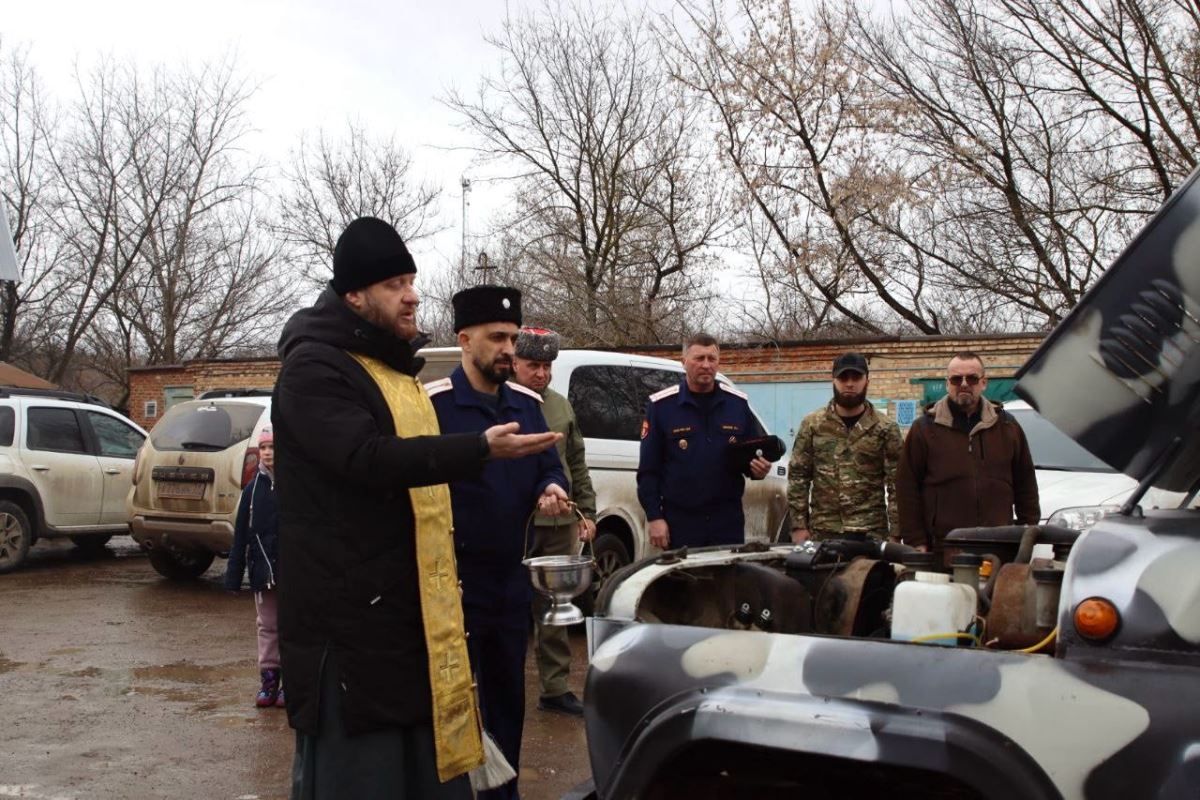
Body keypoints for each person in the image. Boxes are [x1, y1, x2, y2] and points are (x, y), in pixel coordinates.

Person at [272, 217, 562, 800]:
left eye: (411, 280)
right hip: (351, 632)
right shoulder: (315, 368)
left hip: (407, 621)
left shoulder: (386, 367)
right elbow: (367, 458)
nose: (411, 294)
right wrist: (479, 449)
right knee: (366, 779)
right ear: (354, 294)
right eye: (394, 284)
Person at [426, 286, 574, 800]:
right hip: (451, 584)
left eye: (512, 337)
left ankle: (502, 792)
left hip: (510, 580)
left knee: (508, 698)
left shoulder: (528, 405)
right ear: (464, 339)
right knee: (451, 702)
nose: (508, 348)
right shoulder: (435, 407)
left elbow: (548, 465)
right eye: (496, 337)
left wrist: (552, 486)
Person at [511, 326, 597, 718]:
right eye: (533, 365)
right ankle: (504, 682)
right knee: (509, 607)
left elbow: (576, 462)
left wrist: (588, 513)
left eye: (546, 366)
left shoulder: (561, 407)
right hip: (516, 525)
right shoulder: (502, 403)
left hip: (560, 524)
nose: (541, 374)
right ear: (515, 363)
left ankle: (556, 686)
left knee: (554, 606)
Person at [895, 351, 1040, 560]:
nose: (964, 384)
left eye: (971, 378)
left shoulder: (1008, 428)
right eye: (956, 379)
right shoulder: (924, 430)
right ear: (947, 384)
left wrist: (1029, 534)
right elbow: (907, 488)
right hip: (943, 549)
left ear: (983, 383)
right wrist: (916, 541)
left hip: (998, 548)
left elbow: (1026, 485)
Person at [637, 333, 773, 549]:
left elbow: (750, 457)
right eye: (699, 359)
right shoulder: (662, 407)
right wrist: (655, 517)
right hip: (681, 522)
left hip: (727, 522)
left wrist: (758, 470)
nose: (706, 365)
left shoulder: (737, 404)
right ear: (684, 362)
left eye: (712, 359)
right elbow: (648, 471)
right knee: (684, 582)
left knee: (728, 582)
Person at [788, 353, 903, 543]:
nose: (850, 384)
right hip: (824, 530)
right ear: (833, 380)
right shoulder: (813, 425)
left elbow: (897, 482)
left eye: (856, 377)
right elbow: (798, 476)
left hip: (870, 532)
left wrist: (896, 532)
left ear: (867, 380)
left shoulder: (885, 428)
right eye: (843, 377)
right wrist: (799, 526)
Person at [224, 425, 285, 708]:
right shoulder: (252, 489)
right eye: (263, 448)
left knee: (292, 626)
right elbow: (241, 535)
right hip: (263, 571)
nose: (268, 452)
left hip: (291, 571)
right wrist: (234, 576)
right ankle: (269, 681)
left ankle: (293, 683)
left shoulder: (294, 484)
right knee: (267, 626)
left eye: (273, 447)